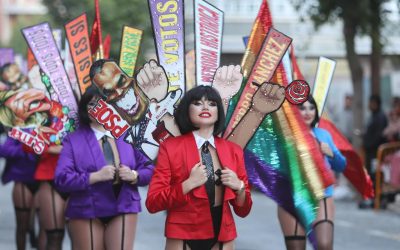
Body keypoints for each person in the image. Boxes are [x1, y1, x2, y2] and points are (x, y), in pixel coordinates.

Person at [146, 85, 252, 250]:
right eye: (197, 103)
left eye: (212, 103)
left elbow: (243, 211)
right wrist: (188, 184)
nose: (205, 107)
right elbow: (153, 203)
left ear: (219, 111)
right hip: (182, 233)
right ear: (186, 110)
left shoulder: (233, 151)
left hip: (223, 234)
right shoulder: (170, 147)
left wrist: (239, 188)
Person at [55, 86, 154, 250]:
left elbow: (149, 168)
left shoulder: (128, 135)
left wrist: (135, 175)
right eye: (92, 104)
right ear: (85, 109)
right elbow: (61, 178)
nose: (98, 108)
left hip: (124, 205)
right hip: (86, 208)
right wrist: (94, 177)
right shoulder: (73, 140)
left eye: (104, 103)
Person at [277, 95, 346, 250]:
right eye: (302, 108)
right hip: (292, 198)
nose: (308, 112)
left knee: (324, 244)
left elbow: (341, 165)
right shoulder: (285, 137)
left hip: (321, 196)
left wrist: (331, 154)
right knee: (296, 247)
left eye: (311, 108)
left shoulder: (324, 135)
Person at [0, 135, 39, 250]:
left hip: (46, 181)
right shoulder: (20, 128)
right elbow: (3, 150)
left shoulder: (54, 124)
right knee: (22, 226)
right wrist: (25, 149)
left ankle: (32, 230)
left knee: (47, 229)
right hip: (23, 179)